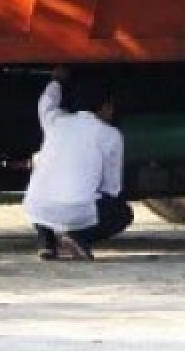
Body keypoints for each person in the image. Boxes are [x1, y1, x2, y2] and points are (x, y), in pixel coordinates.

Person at [23, 67, 133, 261]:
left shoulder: (55, 120)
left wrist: (56, 80)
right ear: (105, 107)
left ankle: (46, 243)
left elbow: (46, 102)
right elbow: (112, 187)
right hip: (76, 210)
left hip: (36, 207)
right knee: (122, 213)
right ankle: (78, 237)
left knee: (44, 196)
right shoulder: (110, 135)